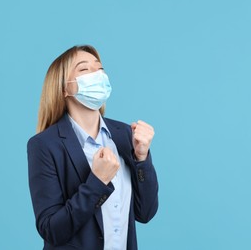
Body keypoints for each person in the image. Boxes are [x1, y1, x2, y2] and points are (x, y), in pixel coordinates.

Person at [27, 45, 159, 250]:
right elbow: (51, 229)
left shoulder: (125, 135)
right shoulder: (44, 145)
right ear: (64, 88)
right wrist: (97, 182)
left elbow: (146, 213)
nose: (97, 75)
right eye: (84, 69)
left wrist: (142, 159)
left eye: (100, 69)